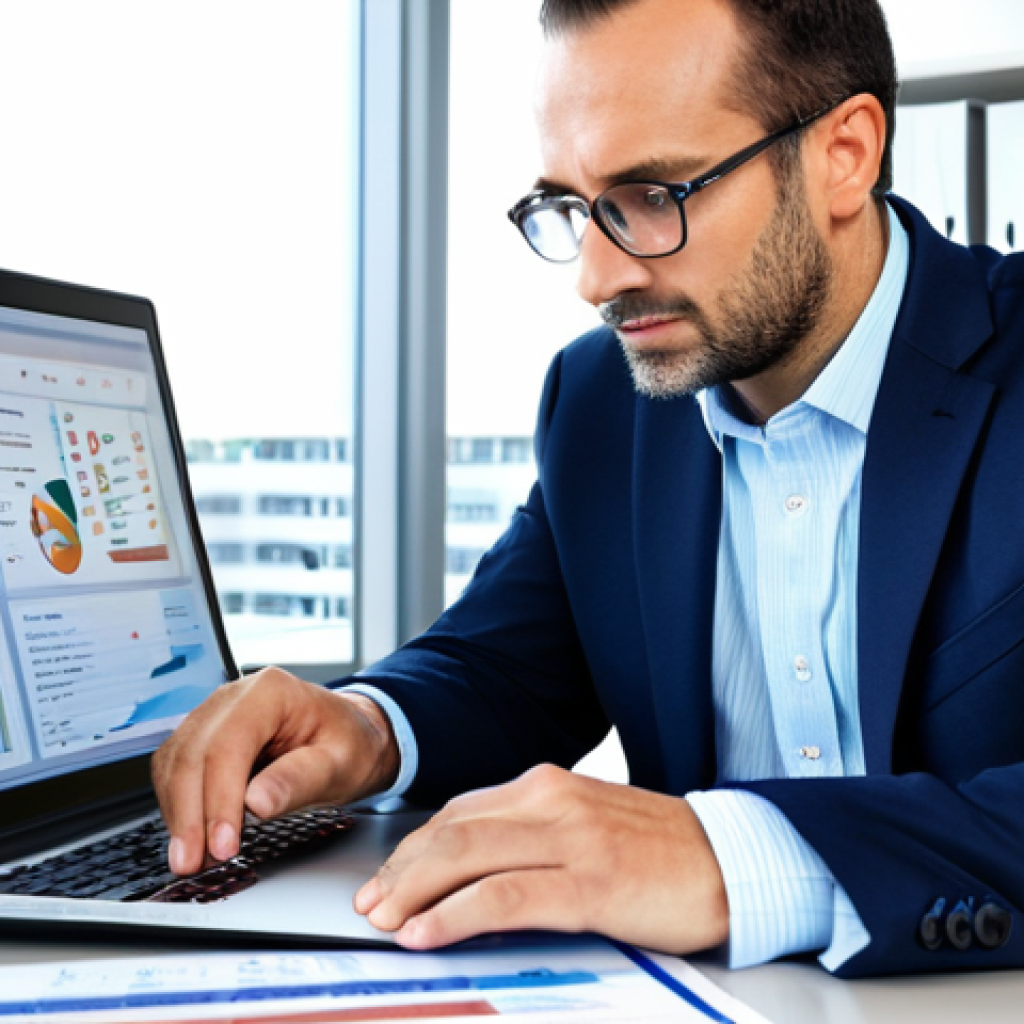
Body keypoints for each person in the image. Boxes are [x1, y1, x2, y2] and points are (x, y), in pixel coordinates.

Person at [153, 0, 1024, 978]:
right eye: (569, 206)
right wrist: (364, 725)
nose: (596, 277)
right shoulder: (603, 401)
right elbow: (504, 669)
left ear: (844, 155)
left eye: (651, 194)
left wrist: (736, 856)